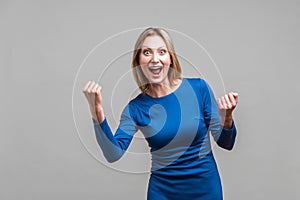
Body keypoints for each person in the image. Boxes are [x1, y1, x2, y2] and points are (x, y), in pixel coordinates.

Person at [83, 27, 238, 200]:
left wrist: (227, 118)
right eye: (147, 52)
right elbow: (113, 153)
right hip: (163, 193)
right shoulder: (135, 108)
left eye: (162, 52)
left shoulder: (199, 89)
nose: (154, 59)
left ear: (170, 58)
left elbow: (226, 143)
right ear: (138, 61)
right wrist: (96, 111)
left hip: (205, 190)